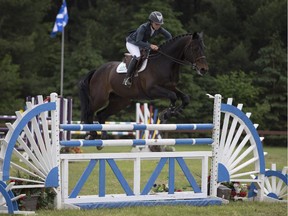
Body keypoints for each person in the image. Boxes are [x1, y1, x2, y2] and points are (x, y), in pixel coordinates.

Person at [123, 11, 172, 87]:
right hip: (132, 43)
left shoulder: (159, 28)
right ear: (151, 22)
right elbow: (138, 41)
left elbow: (169, 36)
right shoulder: (143, 28)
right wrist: (150, 45)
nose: (158, 26)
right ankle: (127, 78)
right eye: (156, 24)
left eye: (159, 24)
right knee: (137, 56)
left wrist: (166, 46)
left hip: (142, 43)